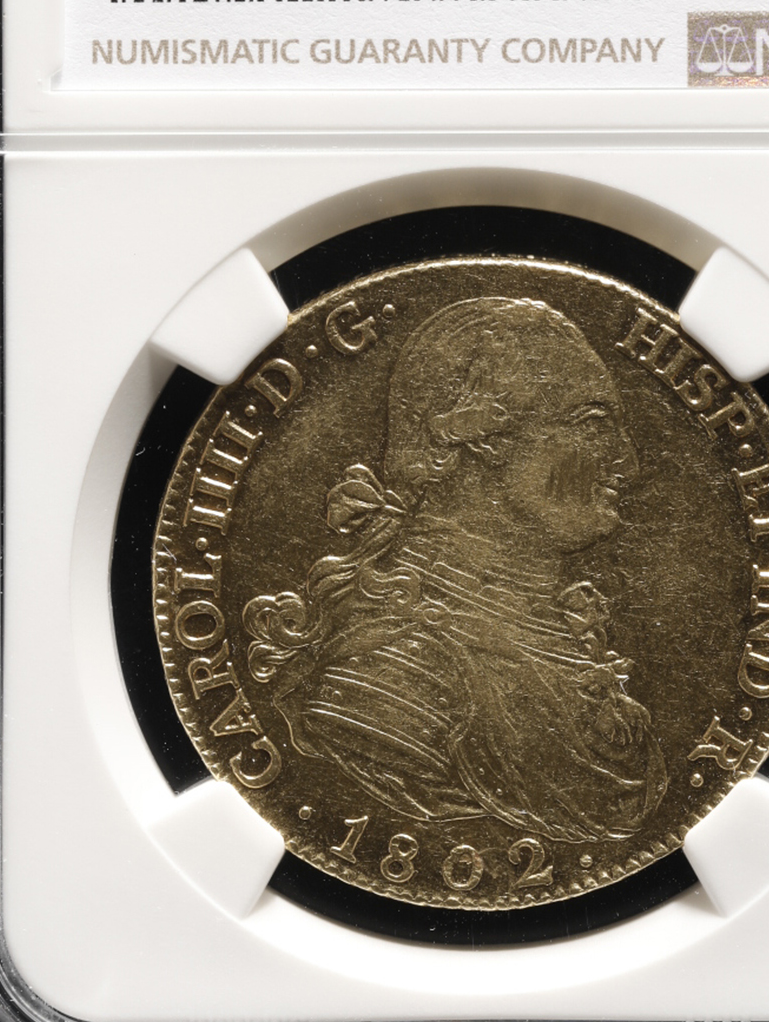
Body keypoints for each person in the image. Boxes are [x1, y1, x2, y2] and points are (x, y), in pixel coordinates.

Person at [244, 295, 668, 844]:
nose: (628, 462)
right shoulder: (392, 675)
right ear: (482, 435)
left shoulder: (557, 639)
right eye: (591, 423)